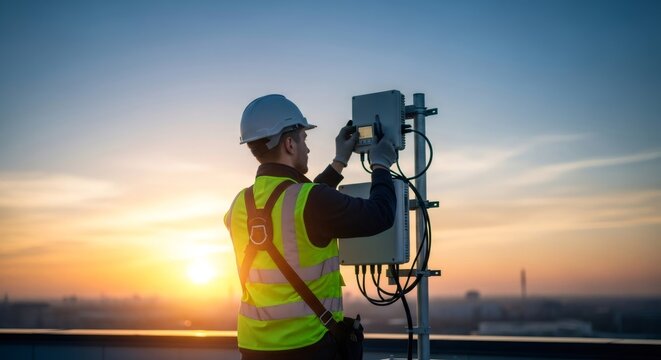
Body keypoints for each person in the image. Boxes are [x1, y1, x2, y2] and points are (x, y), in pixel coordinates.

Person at [224, 94, 397, 359]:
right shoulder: (310, 201)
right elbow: (380, 214)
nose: (307, 148)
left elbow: (298, 204)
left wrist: (339, 161)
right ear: (290, 143)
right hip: (309, 345)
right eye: (305, 139)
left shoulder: (238, 205)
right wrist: (381, 165)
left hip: (254, 346)